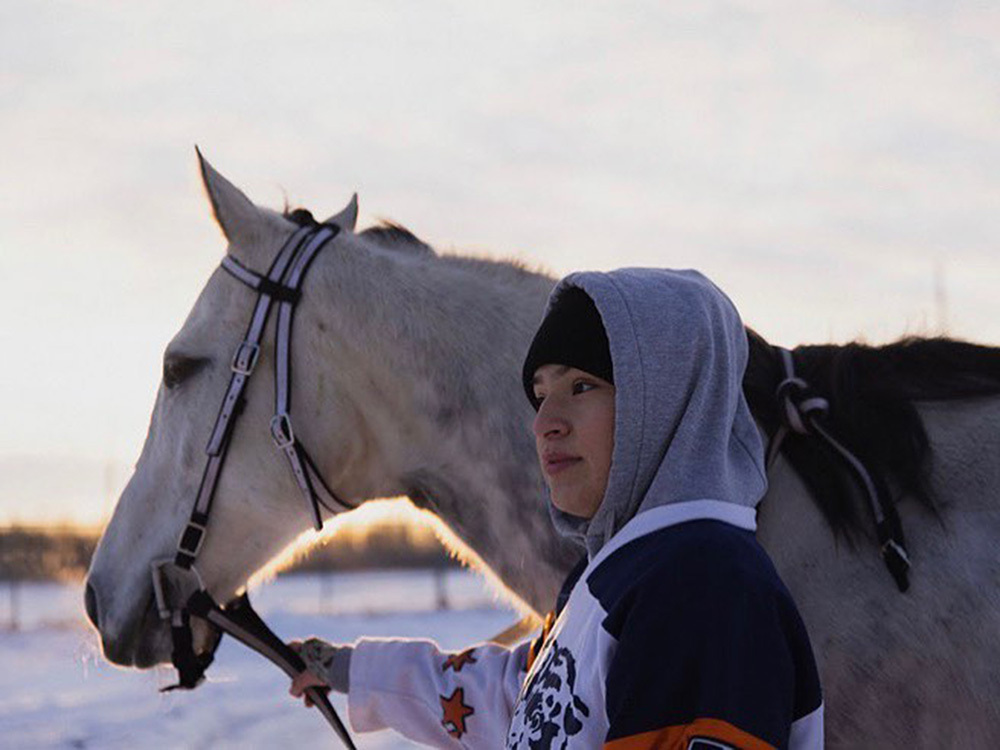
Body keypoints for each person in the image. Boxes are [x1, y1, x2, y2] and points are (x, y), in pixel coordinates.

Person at [290, 268, 824, 749]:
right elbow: (524, 704)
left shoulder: (702, 587)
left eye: (581, 386)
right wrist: (354, 671)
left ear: (665, 402)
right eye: (541, 394)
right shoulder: (622, 571)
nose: (546, 421)